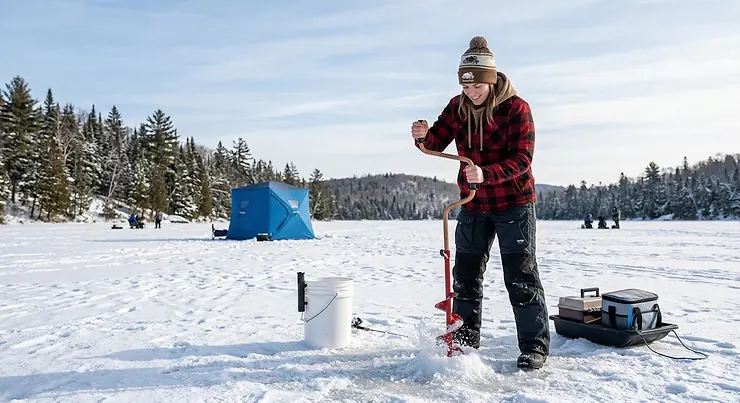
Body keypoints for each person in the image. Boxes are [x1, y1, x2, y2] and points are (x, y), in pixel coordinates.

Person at [411, 36, 550, 370]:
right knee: (466, 276)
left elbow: (523, 159)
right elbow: (436, 141)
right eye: (465, 87)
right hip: (473, 204)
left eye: (476, 87)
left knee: (520, 276)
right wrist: (421, 136)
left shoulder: (517, 108)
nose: (471, 93)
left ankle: (534, 346)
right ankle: (464, 343)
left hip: (514, 203)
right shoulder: (457, 106)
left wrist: (487, 173)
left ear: (490, 81)